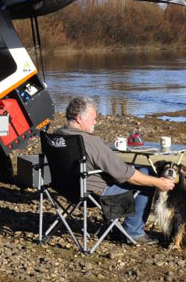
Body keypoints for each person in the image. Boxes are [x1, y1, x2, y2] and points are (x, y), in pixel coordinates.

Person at [56, 96, 174, 245]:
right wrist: (158, 182)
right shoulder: (89, 141)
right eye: (93, 118)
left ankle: (113, 226)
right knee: (148, 176)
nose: (95, 122)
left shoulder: (56, 136)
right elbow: (126, 175)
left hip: (66, 188)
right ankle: (134, 232)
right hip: (94, 192)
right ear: (79, 118)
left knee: (141, 171)